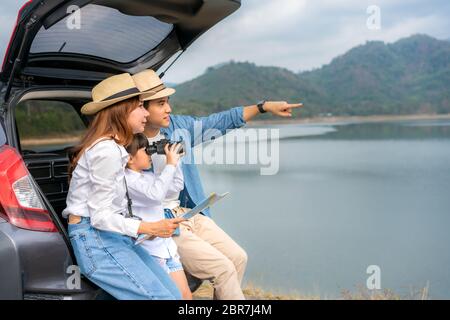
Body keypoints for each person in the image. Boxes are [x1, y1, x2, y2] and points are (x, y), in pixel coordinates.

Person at [131, 69, 303, 300]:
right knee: (222, 268)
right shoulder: (129, 144)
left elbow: (220, 121)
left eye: (168, 102)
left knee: (238, 258)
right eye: (161, 104)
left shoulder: (177, 128)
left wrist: (263, 107)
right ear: (142, 107)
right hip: (162, 224)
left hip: (189, 213)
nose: (169, 109)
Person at [62, 73, 185, 300]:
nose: (146, 113)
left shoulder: (114, 148)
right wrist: (149, 228)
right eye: (140, 106)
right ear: (122, 110)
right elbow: (99, 217)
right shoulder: (106, 150)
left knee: (173, 294)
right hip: (95, 239)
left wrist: (147, 226)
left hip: (110, 236)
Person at [124, 133, 192, 300]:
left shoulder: (148, 176)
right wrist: (169, 164)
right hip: (150, 251)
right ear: (130, 158)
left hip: (166, 248)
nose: (150, 153)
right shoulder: (127, 180)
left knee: (185, 296)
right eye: (145, 150)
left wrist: (177, 160)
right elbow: (155, 195)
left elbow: (176, 185)